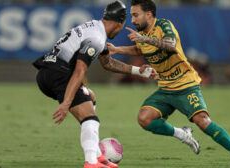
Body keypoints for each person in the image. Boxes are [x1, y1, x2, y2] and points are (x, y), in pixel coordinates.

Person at [107, 0, 230, 166]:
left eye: (135, 15)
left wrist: (143, 38)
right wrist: (117, 50)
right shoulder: (142, 34)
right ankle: (182, 134)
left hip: (185, 85)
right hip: (165, 89)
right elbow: (140, 48)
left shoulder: (164, 25)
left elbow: (170, 45)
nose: (132, 20)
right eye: (131, 16)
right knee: (145, 119)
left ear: (149, 14)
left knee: (203, 121)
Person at [32, 1, 157, 168]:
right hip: (59, 74)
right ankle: (91, 162)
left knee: (90, 97)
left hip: (48, 72)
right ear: (119, 23)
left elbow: (108, 64)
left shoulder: (94, 28)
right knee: (90, 118)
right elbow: (79, 72)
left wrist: (138, 71)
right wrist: (66, 103)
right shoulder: (97, 39)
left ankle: (97, 156)